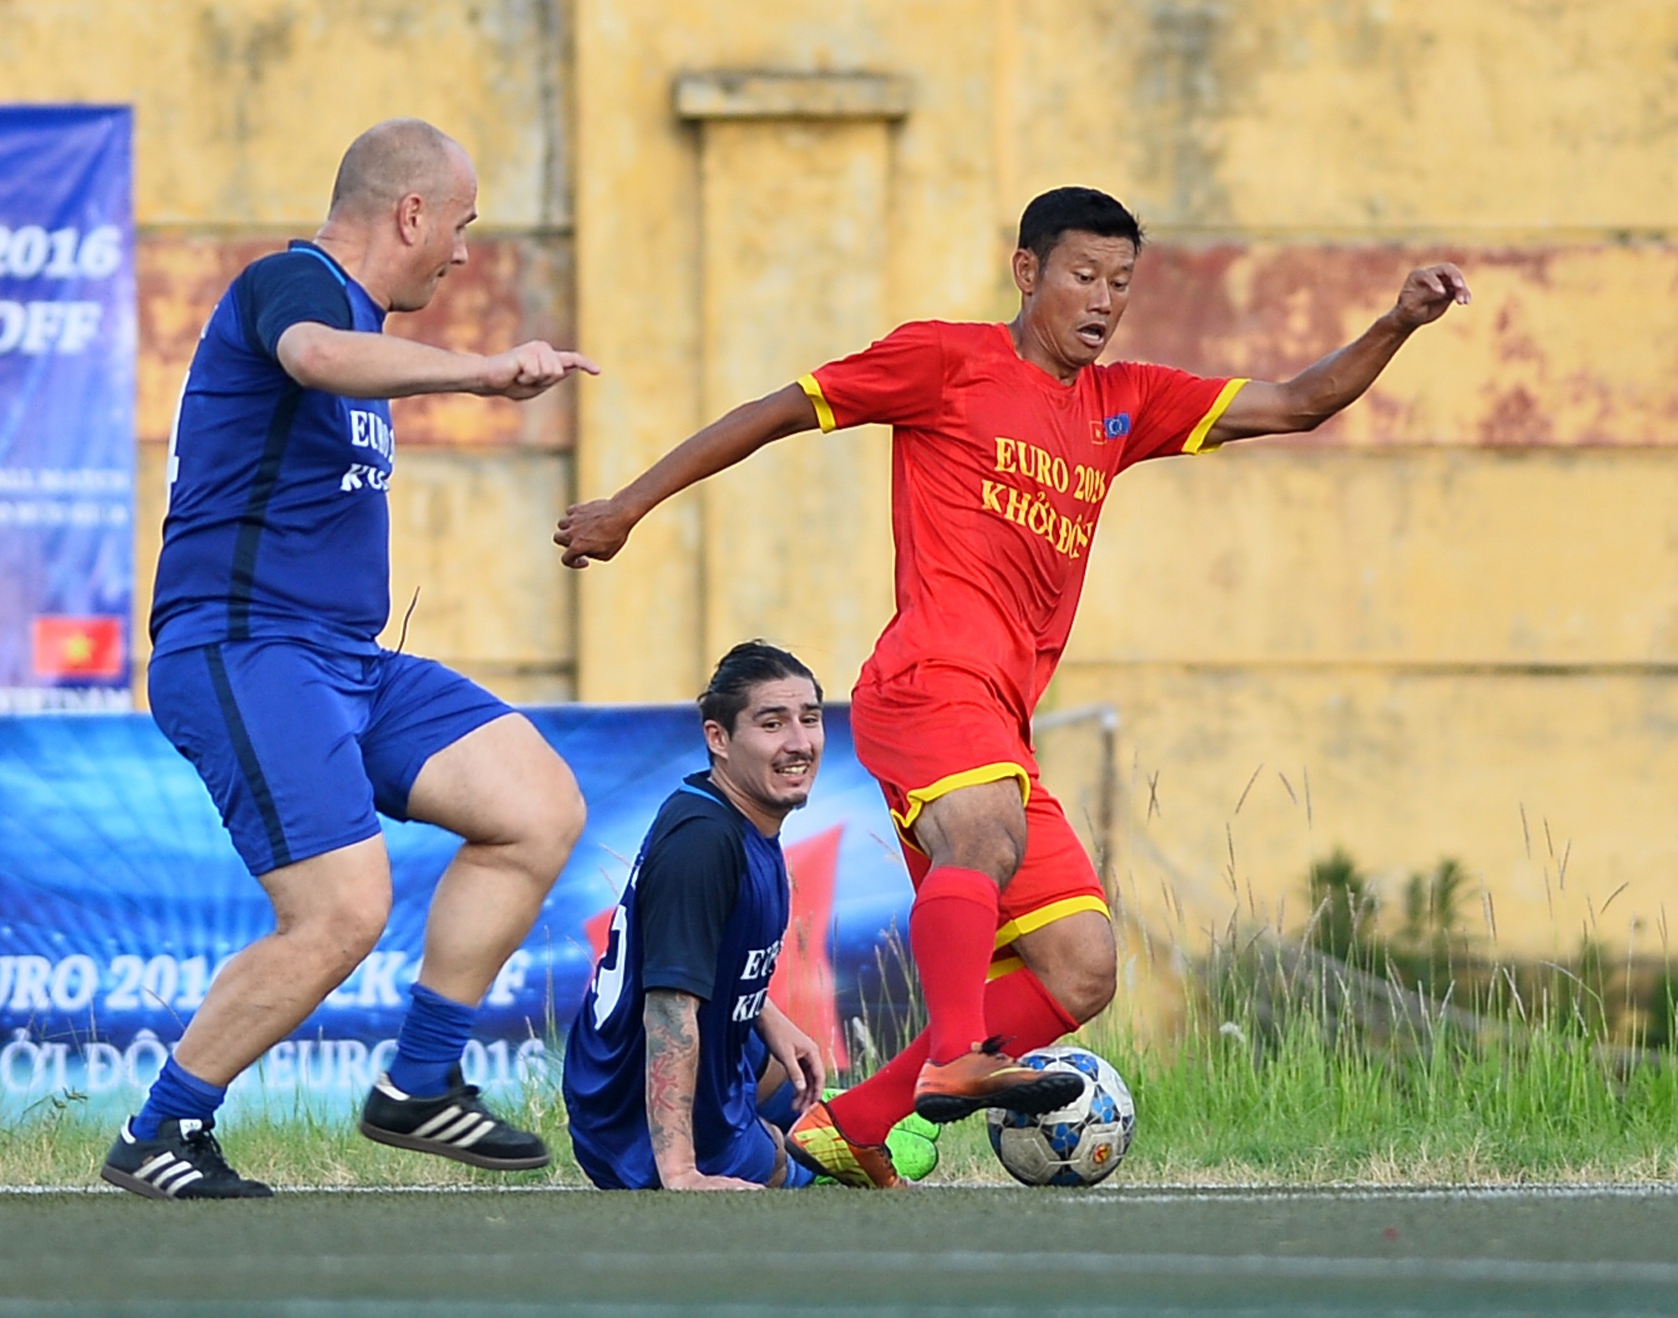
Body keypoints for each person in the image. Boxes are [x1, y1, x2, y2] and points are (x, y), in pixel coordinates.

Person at [555, 185, 1470, 1188]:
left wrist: (1397, 321)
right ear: (1027, 272)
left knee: (1082, 965)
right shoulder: (944, 361)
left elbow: (1298, 403)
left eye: (1121, 282)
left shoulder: (1125, 401)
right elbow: (775, 412)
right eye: (1084, 275)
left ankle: (855, 1121)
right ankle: (955, 1057)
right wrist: (628, 507)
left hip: (1000, 723)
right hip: (927, 683)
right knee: (984, 838)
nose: (1104, 300)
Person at [101, 119, 597, 1199]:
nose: (462, 252)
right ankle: (161, 1129)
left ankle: (418, 1083)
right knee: (340, 909)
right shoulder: (294, 284)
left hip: (347, 664)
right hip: (244, 647)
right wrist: (483, 373)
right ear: (410, 212)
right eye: (460, 225)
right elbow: (314, 358)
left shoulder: (367, 328)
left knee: (537, 806)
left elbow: (343, 363)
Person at [562, 642, 831, 1190]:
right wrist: (681, 1173)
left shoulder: (733, 812)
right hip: (628, 1117)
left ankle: (827, 1131)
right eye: (772, 724)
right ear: (718, 738)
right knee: (798, 1162)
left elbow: (702, 953)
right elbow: (668, 1008)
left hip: (704, 1054)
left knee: (807, 1091)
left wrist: (771, 1019)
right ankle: (797, 1158)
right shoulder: (703, 842)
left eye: (809, 719)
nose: (799, 743)